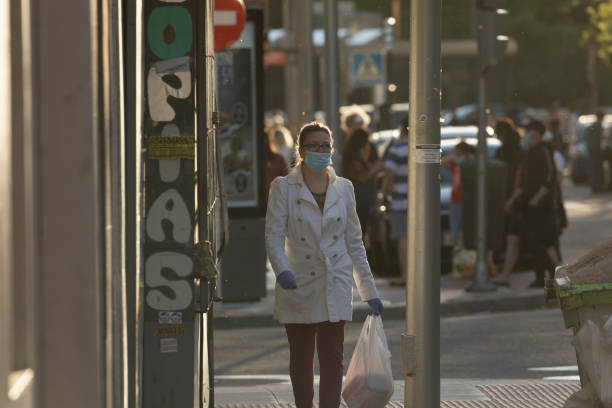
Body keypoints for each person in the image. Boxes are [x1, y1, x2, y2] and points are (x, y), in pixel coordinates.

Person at [265, 121, 383, 408]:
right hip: (298, 281)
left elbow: (355, 242)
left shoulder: (344, 188)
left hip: (335, 280)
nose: (320, 151)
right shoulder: (283, 188)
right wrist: (282, 271)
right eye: (313, 146)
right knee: (301, 358)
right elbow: (273, 235)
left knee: (333, 357)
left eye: (325, 146)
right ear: (301, 150)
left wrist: (369, 290)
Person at [503, 120, 560, 288]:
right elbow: (523, 183)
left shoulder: (544, 150)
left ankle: (555, 276)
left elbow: (550, 178)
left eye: (532, 133)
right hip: (528, 206)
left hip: (541, 208)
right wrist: (513, 200)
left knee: (543, 243)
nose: (528, 135)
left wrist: (536, 198)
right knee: (536, 244)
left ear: (539, 135)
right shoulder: (528, 153)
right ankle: (541, 278)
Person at [493, 119, 524, 287]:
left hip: (508, 196)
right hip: (517, 196)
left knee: (511, 236)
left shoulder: (503, 152)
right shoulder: (519, 150)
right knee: (513, 236)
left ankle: (505, 271)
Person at [381, 116, 409, 286]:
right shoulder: (423, 147)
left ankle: (405, 274)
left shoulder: (397, 149)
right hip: (421, 203)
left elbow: (389, 175)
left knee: (403, 239)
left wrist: (384, 195)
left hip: (400, 202)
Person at [342, 128, 384, 234]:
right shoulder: (354, 157)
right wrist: (374, 169)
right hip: (361, 195)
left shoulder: (349, 152)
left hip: (357, 195)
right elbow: (362, 178)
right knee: (361, 226)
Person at [441, 141, 476, 246]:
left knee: (467, 229)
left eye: (457, 153)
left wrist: (466, 157)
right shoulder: (456, 165)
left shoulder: (471, 164)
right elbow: (442, 162)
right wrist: (454, 157)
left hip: (468, 201)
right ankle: (459, 250)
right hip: (455, 200)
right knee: (455, 229)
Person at [587, 111, 605, 193]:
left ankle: (594, 187)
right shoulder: (598, 125)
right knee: (598, 169)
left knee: (593, 168)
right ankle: (598, 187)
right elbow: (601, 137)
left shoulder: (592, 125)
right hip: (596, 148)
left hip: (591, 148)